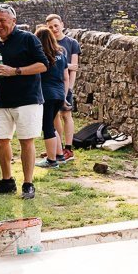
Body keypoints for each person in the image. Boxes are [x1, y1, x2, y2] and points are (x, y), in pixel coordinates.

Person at [0, 5, 49, 200]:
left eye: (3, 20)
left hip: (28, 99)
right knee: (1, 141)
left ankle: (28, 183)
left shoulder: (28, 39)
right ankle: (7, 181)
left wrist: (15, 71)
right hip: (2, 100)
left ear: (13, 21)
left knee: (26, 141)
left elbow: (44, 65)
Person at [45, 14, 80, 163]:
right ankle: (57, 148)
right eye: (50, 27)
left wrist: (69, 89)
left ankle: (68, 148)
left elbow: (74, 68)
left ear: (62, 24)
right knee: (54, 118)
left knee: (66, 115)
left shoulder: (71, 43)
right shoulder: (48, 43)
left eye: (56, 25)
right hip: (54, 87)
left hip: (65, 86)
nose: (54, 29)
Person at [34, 25, 68, 169]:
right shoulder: (61, 53)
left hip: (46, 94)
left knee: (47, 126)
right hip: (59, 93)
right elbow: (65, 76)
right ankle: (59, 155)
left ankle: (51, 160)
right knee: (52, 125)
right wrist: (65, 96)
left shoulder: (41, 56)